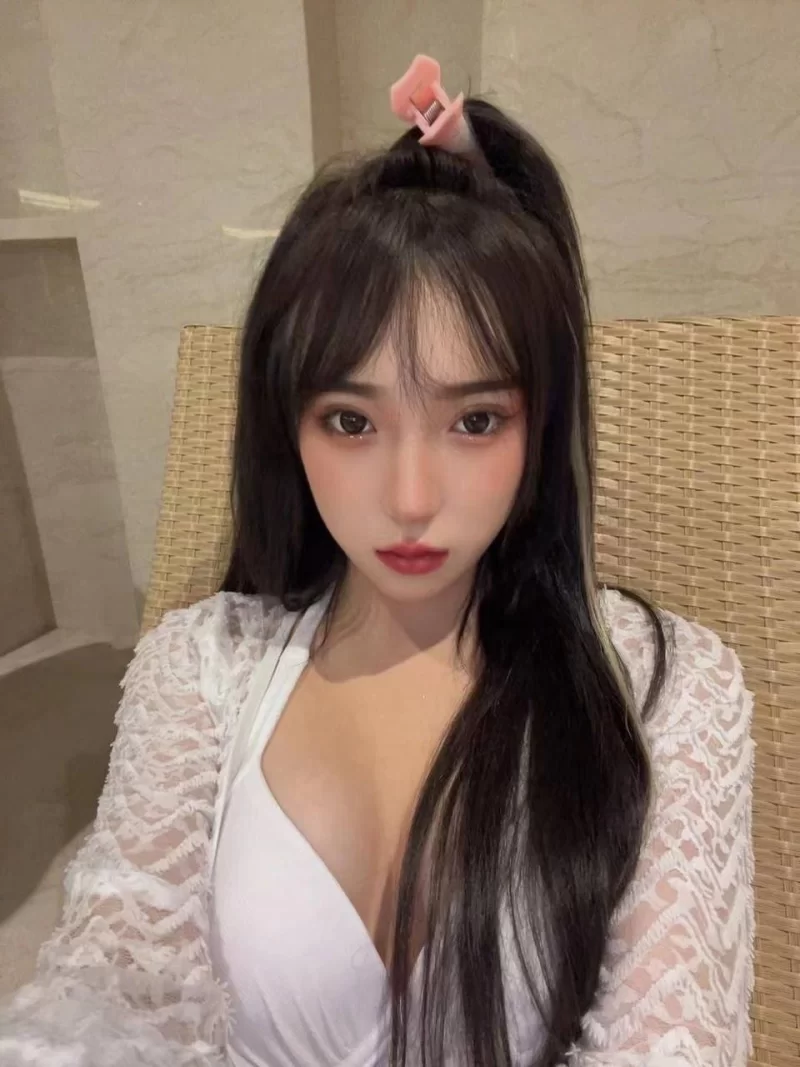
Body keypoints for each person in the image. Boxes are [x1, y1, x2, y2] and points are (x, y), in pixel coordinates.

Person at [0, 60, 755, 1067]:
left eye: (474, 419)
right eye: (351, 421)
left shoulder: (663, 688)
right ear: (288, 426)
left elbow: (674, 1039)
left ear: (541, 426)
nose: (408, 497)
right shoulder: (203, 667)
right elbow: (108, 997)